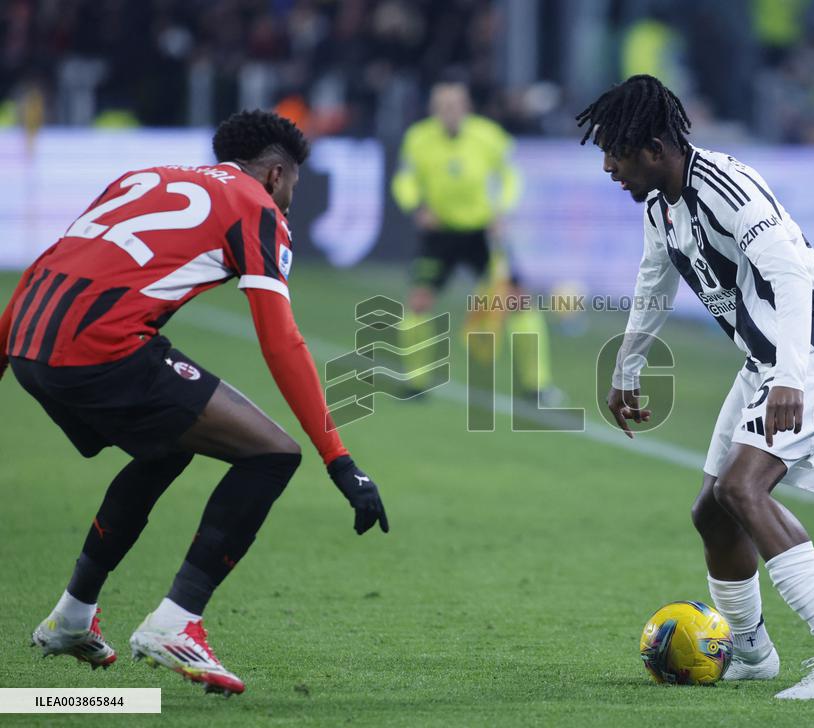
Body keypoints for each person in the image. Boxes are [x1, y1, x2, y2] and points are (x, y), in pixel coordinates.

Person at [0, 110, 389, 696]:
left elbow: (44, 267)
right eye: (292, 189)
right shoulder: (255, 206)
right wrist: (339, 458)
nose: (288, 203)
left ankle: (71, 617)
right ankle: (175, 623)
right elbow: (281, 340)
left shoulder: (142, 177)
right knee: (272, 453)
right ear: (277, 173)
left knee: (168, 446)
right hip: (98, 348)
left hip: (30, 344)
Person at [578, 75, 814, 700]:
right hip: (767, 360)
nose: (608, 166)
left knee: (744, 489)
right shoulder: (662, 207)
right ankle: (752, 652)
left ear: (656, 147)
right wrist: (626, 371)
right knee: (711, 514)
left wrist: (791, 376)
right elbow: (653, 286)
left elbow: (791, 277)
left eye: (617, 152)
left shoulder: (725, 186)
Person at [391, 80, 558, 403]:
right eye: (442, 106)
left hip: (484, 233)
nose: (448, 112)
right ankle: (416, 382)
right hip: (440, 234)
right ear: (433, 109)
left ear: (466, 107)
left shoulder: (488, 136)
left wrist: (503, 210)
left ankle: (538, 385)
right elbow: (405, 178)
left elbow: (511, 176)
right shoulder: (418, 138)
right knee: (419, 300)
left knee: (518, 301)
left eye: (454, 105)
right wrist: (417, 206)